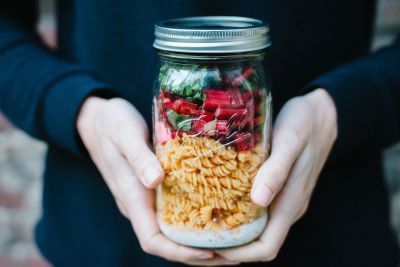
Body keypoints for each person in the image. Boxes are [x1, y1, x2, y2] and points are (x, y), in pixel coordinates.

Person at [0, 0, 399, 266]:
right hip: (100, 241)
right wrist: (77, 108)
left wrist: (340, 109)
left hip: (331, 239)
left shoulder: (249, 77)